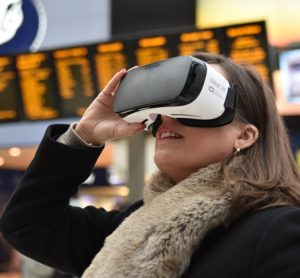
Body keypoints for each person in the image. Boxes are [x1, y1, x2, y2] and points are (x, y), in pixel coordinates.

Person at [1, 52, 300, 278]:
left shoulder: (279, 231)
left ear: (245, 136)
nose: (166, 119)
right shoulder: (136, 228)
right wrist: (84, 135)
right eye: (162, 110)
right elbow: (29, 224)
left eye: (190, 102)